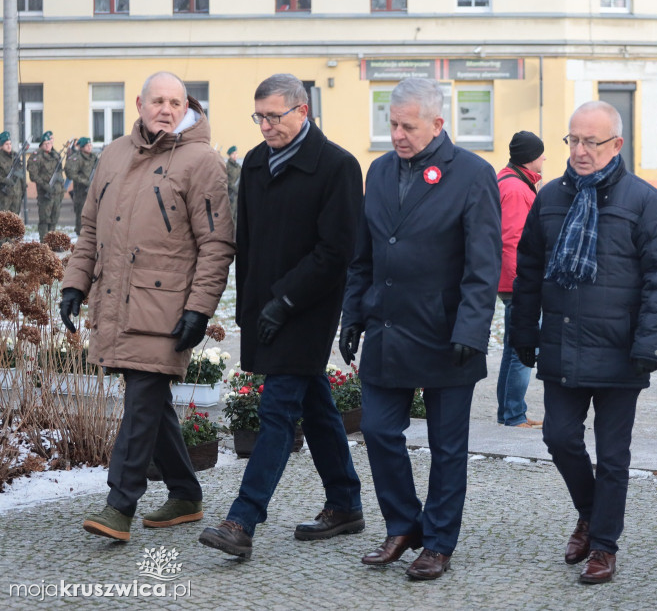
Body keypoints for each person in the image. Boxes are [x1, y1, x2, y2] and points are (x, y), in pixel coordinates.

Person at [511, 101, 657, 584]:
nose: (581, 151)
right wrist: (523, 333)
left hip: (622, 351)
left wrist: (650, 345)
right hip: (563, 344)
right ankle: (589, 514)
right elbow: (527, 274)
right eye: (574, 140)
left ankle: (604, 545)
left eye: (592, 141)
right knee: (559, 437)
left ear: (617, 145)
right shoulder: (550, 198)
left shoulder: (644, 201)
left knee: (612, 457)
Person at [59, 71, 234, 542]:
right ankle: (185, 493)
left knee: (140, 402)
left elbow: (217, 244)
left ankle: (120, 504)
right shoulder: (114, 153)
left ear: (186, 108)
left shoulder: (202, 162)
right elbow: (91, 228)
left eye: (176, 102)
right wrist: (74, 285)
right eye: (158, 100)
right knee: (150, 402)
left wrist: (199, 309)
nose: (167, 109)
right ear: (139, 103)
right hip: (116, 300)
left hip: (168, 308)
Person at [340, 77, 501, 581]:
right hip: (388, 329)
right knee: (378, 429)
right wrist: (353, 317)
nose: (398, 135)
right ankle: (403, 524)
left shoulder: (473, 174)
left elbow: (483, 264)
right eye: (392, 124)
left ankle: (439, 541)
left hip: (446, 334)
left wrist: (471, 330)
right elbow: (362, 256)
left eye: (408, 126)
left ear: (437, 123)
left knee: (446, 447)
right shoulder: (381, 171)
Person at [199, 74, 365, 559]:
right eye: (260, 117)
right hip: (264, 309)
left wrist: (286, 300)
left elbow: (337, 251)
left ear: (302, 111)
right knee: (315, 406)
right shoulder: (253, 163)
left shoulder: (337, 166)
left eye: (274, 116)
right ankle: (346, 503)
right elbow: (247, 243)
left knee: (276, 411)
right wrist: (253, 306)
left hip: (308, 309)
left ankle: (242, 519)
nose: (266, 126)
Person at [496, 130, 545, 429]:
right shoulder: (516, 189)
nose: (544, 158)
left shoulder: (509, 180)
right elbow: (513, 240)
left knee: (512, 347)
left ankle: (509, 412)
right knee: (523, 347)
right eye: (541, 153)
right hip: (516, 281)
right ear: (529, 158)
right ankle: (514, 414)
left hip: (508, 279)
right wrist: (523, 283)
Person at [27, 131, 65, 237]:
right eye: (46, 143)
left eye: (50, 143)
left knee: (54, 218)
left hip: (57, 192)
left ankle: (51, 242)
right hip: (45, 193)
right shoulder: (37, 156)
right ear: (41, 144)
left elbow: (60, 172)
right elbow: (33, 175)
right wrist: (45, 185)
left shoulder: (56, 155)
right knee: (45, 219)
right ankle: (44, 242)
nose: (48, 145)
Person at [64, 136, 99, 235]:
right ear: (82, 147)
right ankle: (80, 235)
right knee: (81, 215)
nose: (89, 147)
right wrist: (85, 181)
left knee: (93, 215)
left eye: (90, 145)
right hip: (81, 192)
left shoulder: (94, 157)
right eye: (87, 145)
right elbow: (70, 173)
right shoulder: (76, 158)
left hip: (93, 191)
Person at [0, 132, 26, 216]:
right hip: (4, 196)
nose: (9, 146)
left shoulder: (15, 156)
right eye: (6, 144)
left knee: (14, 222)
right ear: (1, 146)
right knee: (4, 223)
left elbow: (21, 174)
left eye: (10, 143)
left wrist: (23, 188)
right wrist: (5, 180)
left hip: (16, 195)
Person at [225, 145, 242, 226]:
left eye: (236, 153)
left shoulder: (239, 167)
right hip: (230, 196)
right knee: (230, 218)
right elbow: (224, 180)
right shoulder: (227, 166)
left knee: (238, 217)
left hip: (238, 196)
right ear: (230, 155)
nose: (235, 155)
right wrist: (233, 187)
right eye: (233, 154)